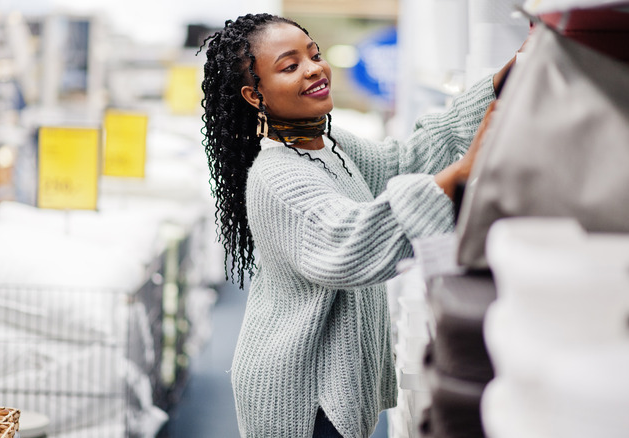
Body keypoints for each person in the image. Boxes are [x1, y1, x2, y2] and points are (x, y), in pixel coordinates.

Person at [199, 13, 513, 438]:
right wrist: (459, 175)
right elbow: (350, 242)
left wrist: (496, 85)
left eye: (314, 55)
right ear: (256, 96)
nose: (314, 69)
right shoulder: (275, 176)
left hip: (330, 382)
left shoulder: (330, 145)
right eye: (290, 66)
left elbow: (403, 161)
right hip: (301, 395)